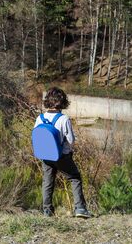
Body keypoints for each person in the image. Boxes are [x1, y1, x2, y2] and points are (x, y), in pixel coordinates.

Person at [34, 86, 92, 218]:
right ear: (62, 102)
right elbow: (71, 140)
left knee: (47, 182)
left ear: (47, 101)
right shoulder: (63, 119)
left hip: (45, 155)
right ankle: (80, 209)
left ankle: (47, 211)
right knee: (74, 177)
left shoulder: (40, 118)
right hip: (61, 156)